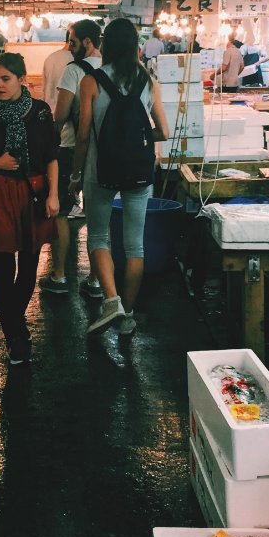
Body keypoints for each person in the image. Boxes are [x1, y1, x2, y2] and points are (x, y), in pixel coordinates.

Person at [70, 18, 169, 336]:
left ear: (106, 45)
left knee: (98, 237)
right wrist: (137, 138)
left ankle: (110, 300)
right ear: (135, 46)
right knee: (134, 245)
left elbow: (83, 135)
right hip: (139, 170)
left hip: (100, 171)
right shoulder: (148, 80)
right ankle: (127, 315)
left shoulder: (90, 81)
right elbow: (163, 132)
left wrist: (75, 175)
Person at [0, 52, 59, 366]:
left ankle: (16, 322)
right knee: (3, 266)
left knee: (30, 264)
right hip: (0, 191)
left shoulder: (40, 112)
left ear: (22, 79)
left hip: (34, 192)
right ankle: (14, 337)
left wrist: (54, 196)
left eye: (5, 79)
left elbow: (51, 155)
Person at [42, 19, 103, 298]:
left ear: (87, 42)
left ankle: (59, 275)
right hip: (102, 151)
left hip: (70, 148)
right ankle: (94, 279)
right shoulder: (110, 69)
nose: (70, 46)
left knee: (63, 212)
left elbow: (61, 114)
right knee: (97, 217)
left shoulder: (74, 71)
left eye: (73, 41)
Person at [41, 39, 72, 113]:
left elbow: (44, 87)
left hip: (49, 110)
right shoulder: (75, 60)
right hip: (65, 113)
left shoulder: (50, 57)